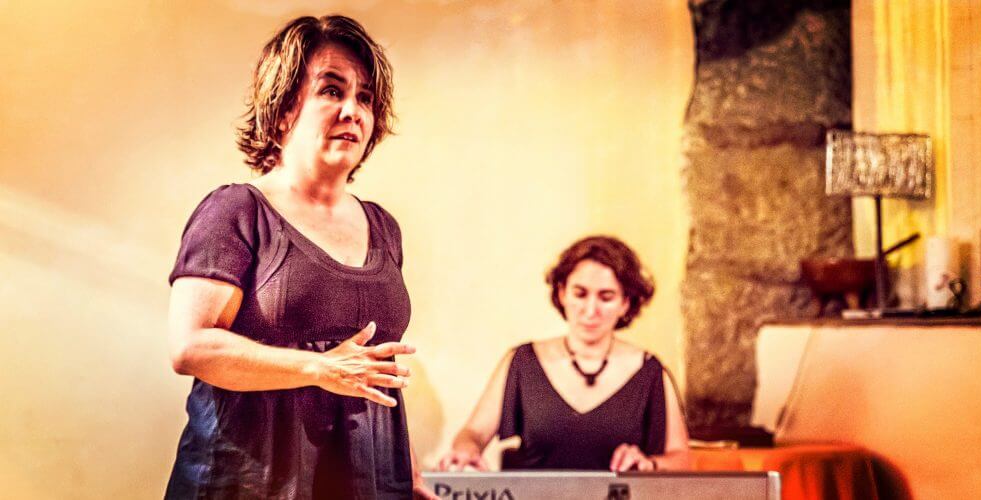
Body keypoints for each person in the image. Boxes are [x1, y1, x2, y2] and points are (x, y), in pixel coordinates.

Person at [165, 15, 435, 499]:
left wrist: (410, 476)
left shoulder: (384, 228)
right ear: (284, 109)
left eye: (365, 98)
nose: (353, 111)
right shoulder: (236, 211)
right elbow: (191, 347)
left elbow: (375, 370)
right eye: (332, 90)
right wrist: (319, 368)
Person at [438, 236, 689, 472]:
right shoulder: (523, 361)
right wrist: (467, 450)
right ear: (562, 293)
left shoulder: (650, 371)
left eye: (606, 297)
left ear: (626, 303)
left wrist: (650, 464)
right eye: (580, 294)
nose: (590, 310)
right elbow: (474, 433)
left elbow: (681, 457)